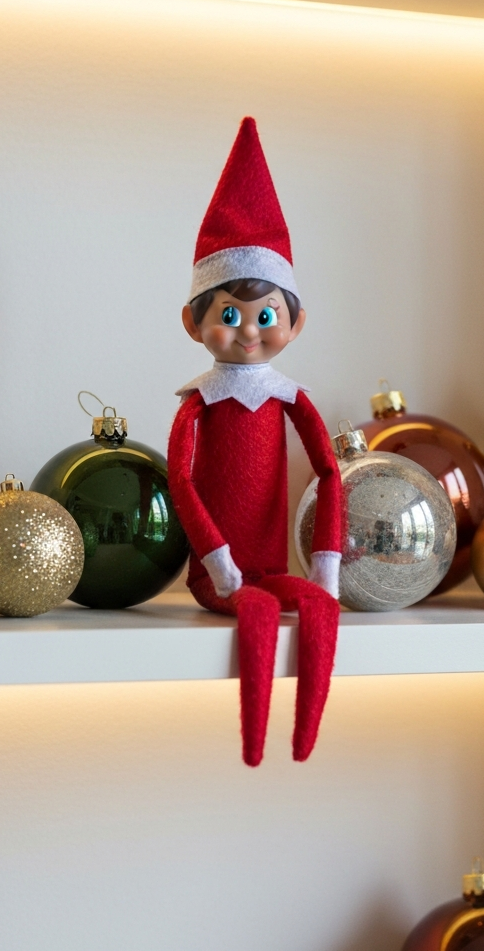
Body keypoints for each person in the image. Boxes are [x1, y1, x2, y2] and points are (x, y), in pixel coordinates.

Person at [168, 117, 343, 767]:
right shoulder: (199, 404)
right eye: (228, 315)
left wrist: (324, 567)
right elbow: (182, 481)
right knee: (259, 616)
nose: (247, 332)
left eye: (265, 316)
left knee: (320, 611)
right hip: (218, 578)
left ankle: (303, 741)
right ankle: (254, 746)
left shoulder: (289, 397)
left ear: (295, 323)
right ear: (193, 323)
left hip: (275, 565)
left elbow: (330, 472)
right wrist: (217, 563)